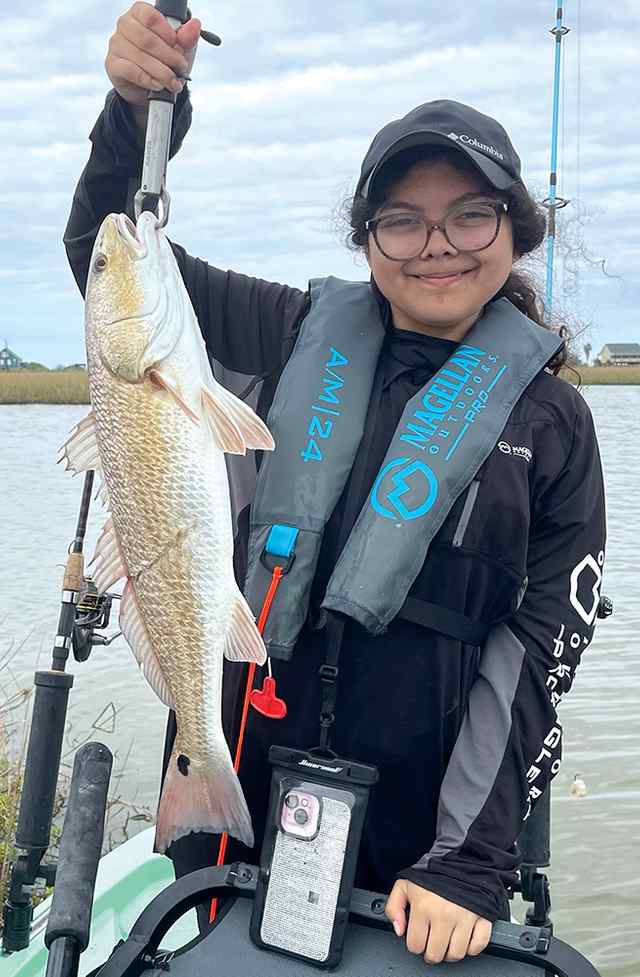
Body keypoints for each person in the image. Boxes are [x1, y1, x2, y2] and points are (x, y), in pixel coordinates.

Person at [64, 3, 607, 967]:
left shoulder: (552, 421)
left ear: (517, 231)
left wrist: (468, 861)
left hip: (423, 859)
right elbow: (108, 256)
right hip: (230, 806)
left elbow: (539, 651)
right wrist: (139, 108)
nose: (436, 244)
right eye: (402, 221)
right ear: (366, 239)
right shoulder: (282, 335)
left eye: (470, 214)